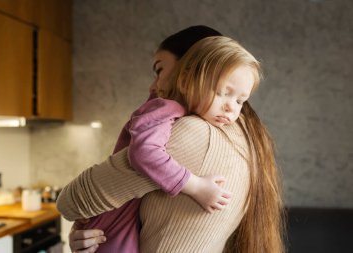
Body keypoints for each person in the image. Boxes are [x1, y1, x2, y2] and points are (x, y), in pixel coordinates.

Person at [57, 35, 285, 253]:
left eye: (159, 70)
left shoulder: (189, 129)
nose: (152, 86)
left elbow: (70, 202)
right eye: (223, 93)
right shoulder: (242, 138)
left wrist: (195, 186)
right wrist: (88, 226)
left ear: (184, 75)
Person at [68, 25, 227, 253]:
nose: (153, 86)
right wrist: (196, 187)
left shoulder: (182, 116)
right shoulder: (168, 106)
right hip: (117, 217)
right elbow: (144, 152)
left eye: (159, 70)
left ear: (189, 69)